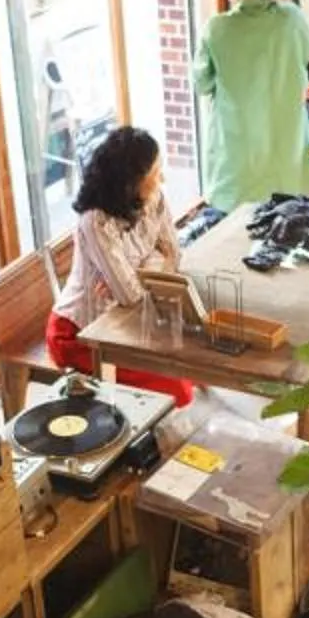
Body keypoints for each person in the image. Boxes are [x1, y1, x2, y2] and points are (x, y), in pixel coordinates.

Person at [45, 126, 197, 407]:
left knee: (196, 357)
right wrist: (151, 265)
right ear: (131, 182)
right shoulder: (96, 222)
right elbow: (131, 296)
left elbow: (174, 256)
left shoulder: (154, 199)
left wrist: (140, 269)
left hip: (130, 321)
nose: (161, 179)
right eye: (154, 174)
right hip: (81, 333)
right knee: (179, 386)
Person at [191, 0, 309, 214]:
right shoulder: (293, 19)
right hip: (290, 167)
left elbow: (201, 83)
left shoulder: (217, 29)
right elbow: (307, 54)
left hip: (238, 170)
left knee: (231, 249)